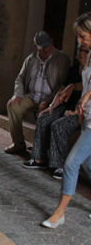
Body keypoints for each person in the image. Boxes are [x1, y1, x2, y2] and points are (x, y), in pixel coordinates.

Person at [41, 13, 91, 228]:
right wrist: (74, 88)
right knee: (89, 165)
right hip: (87, 117)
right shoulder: (89, 55)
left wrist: (85, 98)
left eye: (82, 36)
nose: (79, 41)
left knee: (71, 163)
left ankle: (59, 213)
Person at [23, 45, 88, 178]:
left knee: (59, 125)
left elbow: (84, 90)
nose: (81, 53)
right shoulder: (75, 69)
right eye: (80, 50)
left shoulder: (89, 72)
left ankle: (59, 165)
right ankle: (38, 159)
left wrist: (74, 108)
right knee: (44, 117)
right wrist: (52, 105)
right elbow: (63, 88)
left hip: (82, 111)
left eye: (86, 51)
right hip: (65, 106)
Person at [4, 30, 70, 157]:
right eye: (42, 49)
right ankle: (18, 144)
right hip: (32, 96)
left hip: (49, 99)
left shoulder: (61, 59)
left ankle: (41, 150)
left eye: (48, 47)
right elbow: (20, 78)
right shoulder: (31, 59)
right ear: (36, 47)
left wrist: (49, 101)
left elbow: (62, 86)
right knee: (12, 106)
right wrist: (17, 94)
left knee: (44, 114)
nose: (46, 51)